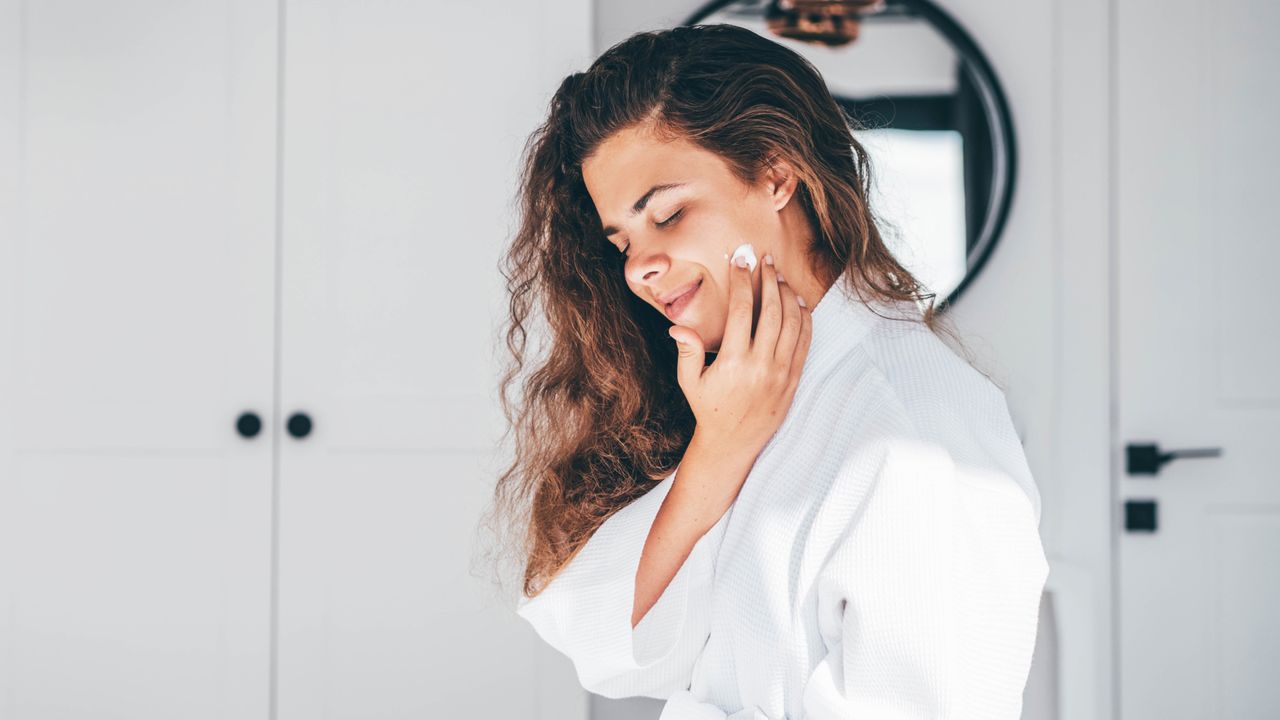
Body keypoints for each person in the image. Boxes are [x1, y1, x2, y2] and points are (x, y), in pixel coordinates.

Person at [489, 23, 1049, 720]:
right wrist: (718, 452)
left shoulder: (916, 434)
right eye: (623, 242)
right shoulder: (740, 399)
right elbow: (602, 639)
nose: (638, 269)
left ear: (777, 175)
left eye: (667, 214)